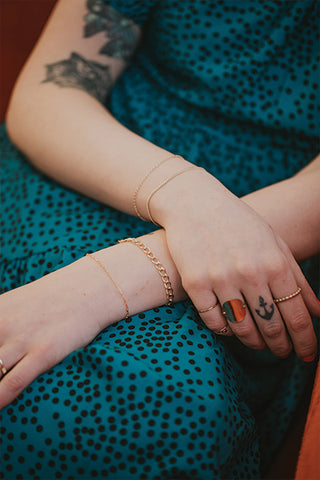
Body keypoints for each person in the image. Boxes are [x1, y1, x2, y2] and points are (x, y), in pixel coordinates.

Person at [0, 0, 319, 478]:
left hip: (275, 226)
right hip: (92, 158)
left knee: (166, 404)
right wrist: (187, 196)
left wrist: (105, 283)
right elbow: (54, 85)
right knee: (51, 388)